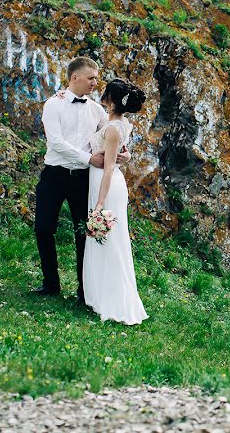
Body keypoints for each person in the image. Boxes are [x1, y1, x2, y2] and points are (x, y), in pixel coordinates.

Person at [32, 57, 129, 303]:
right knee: (43, 228)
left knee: (84, 234)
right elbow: (55, 142)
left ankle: (85, 292)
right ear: (74, 77)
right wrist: (89, 158)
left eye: (96, 78)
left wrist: (125, 153)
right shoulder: (53, 105)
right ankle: (50, 284)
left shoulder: (97, 110)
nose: (95, 83)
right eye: (91, 78)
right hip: (54, 173)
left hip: (82, 179)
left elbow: (112, 137)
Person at [83, 78, 149, 325]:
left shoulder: (112, 129)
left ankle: (111, 300)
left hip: (106, 184)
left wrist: (100, 204)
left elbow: (109, 167)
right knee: (109, 241)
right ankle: (100, 296)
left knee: (109, 242)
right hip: (108, 182)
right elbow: (122, 153)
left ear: (111, 100)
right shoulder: (122, 124)